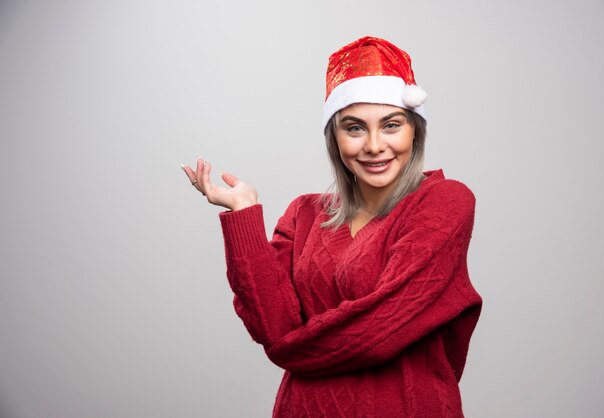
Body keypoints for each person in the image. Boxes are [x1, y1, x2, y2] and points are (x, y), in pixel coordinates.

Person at [182, 36, 482, 418]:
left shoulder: (444, 202)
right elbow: (268, 323)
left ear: (414, 132)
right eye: (354, 128)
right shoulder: (305, 214)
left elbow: (381, 332)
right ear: (334, 138)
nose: (374, 145)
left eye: (391, 125)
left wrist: (290, 348)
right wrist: (244, 212)